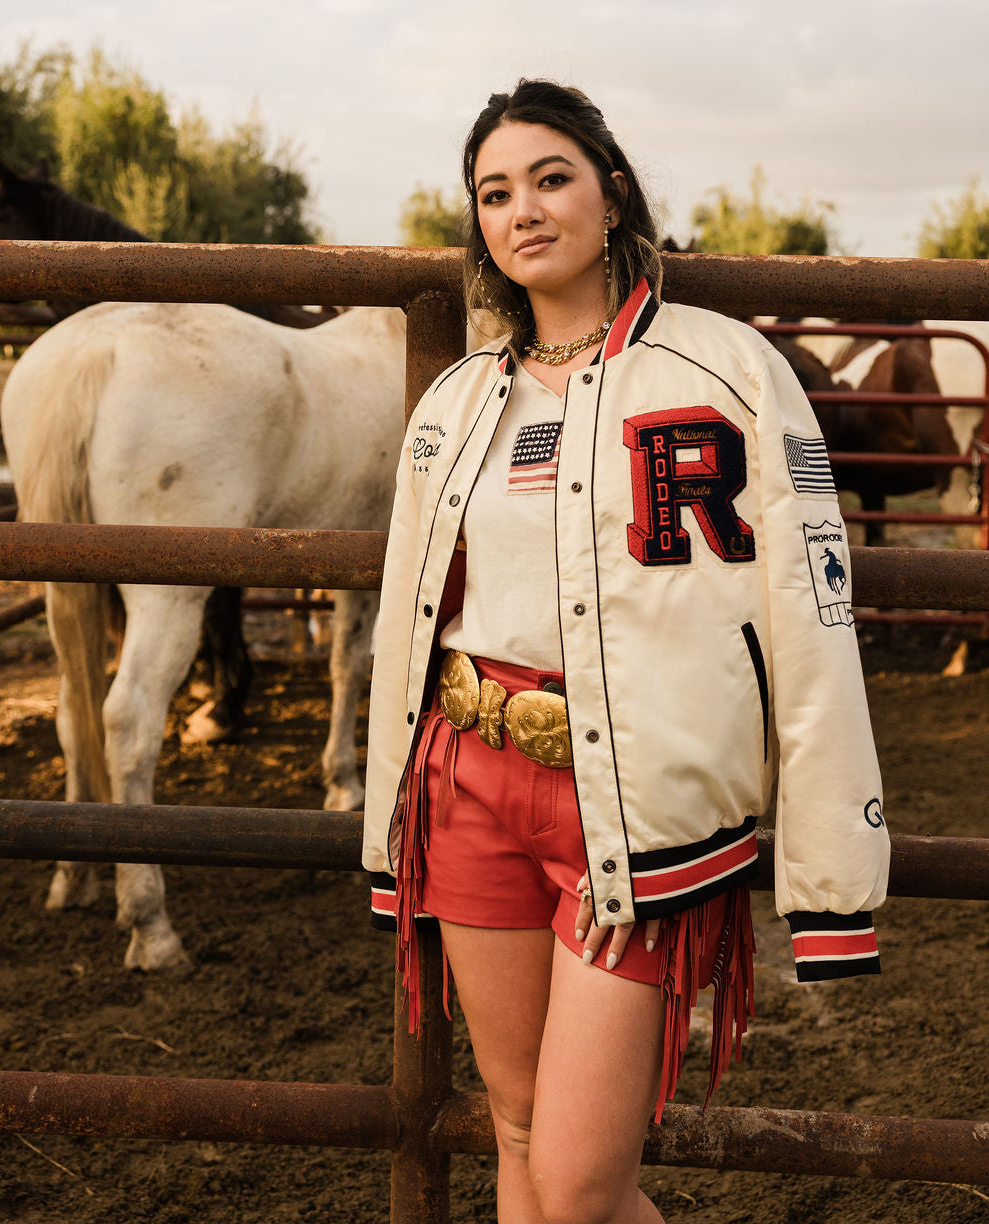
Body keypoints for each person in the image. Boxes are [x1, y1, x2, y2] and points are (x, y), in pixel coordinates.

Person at [363, 79, 890, 1224]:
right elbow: (404, 628)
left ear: (611, 195)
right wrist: (384, 825)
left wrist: (832, 881)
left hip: (635, 803)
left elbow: (811, 609)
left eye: (550, 178)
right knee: (513, 1136)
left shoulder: (728, 369)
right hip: (467, 785)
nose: (523, 210)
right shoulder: (454, 402)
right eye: (494, 194)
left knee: (578, 1184)